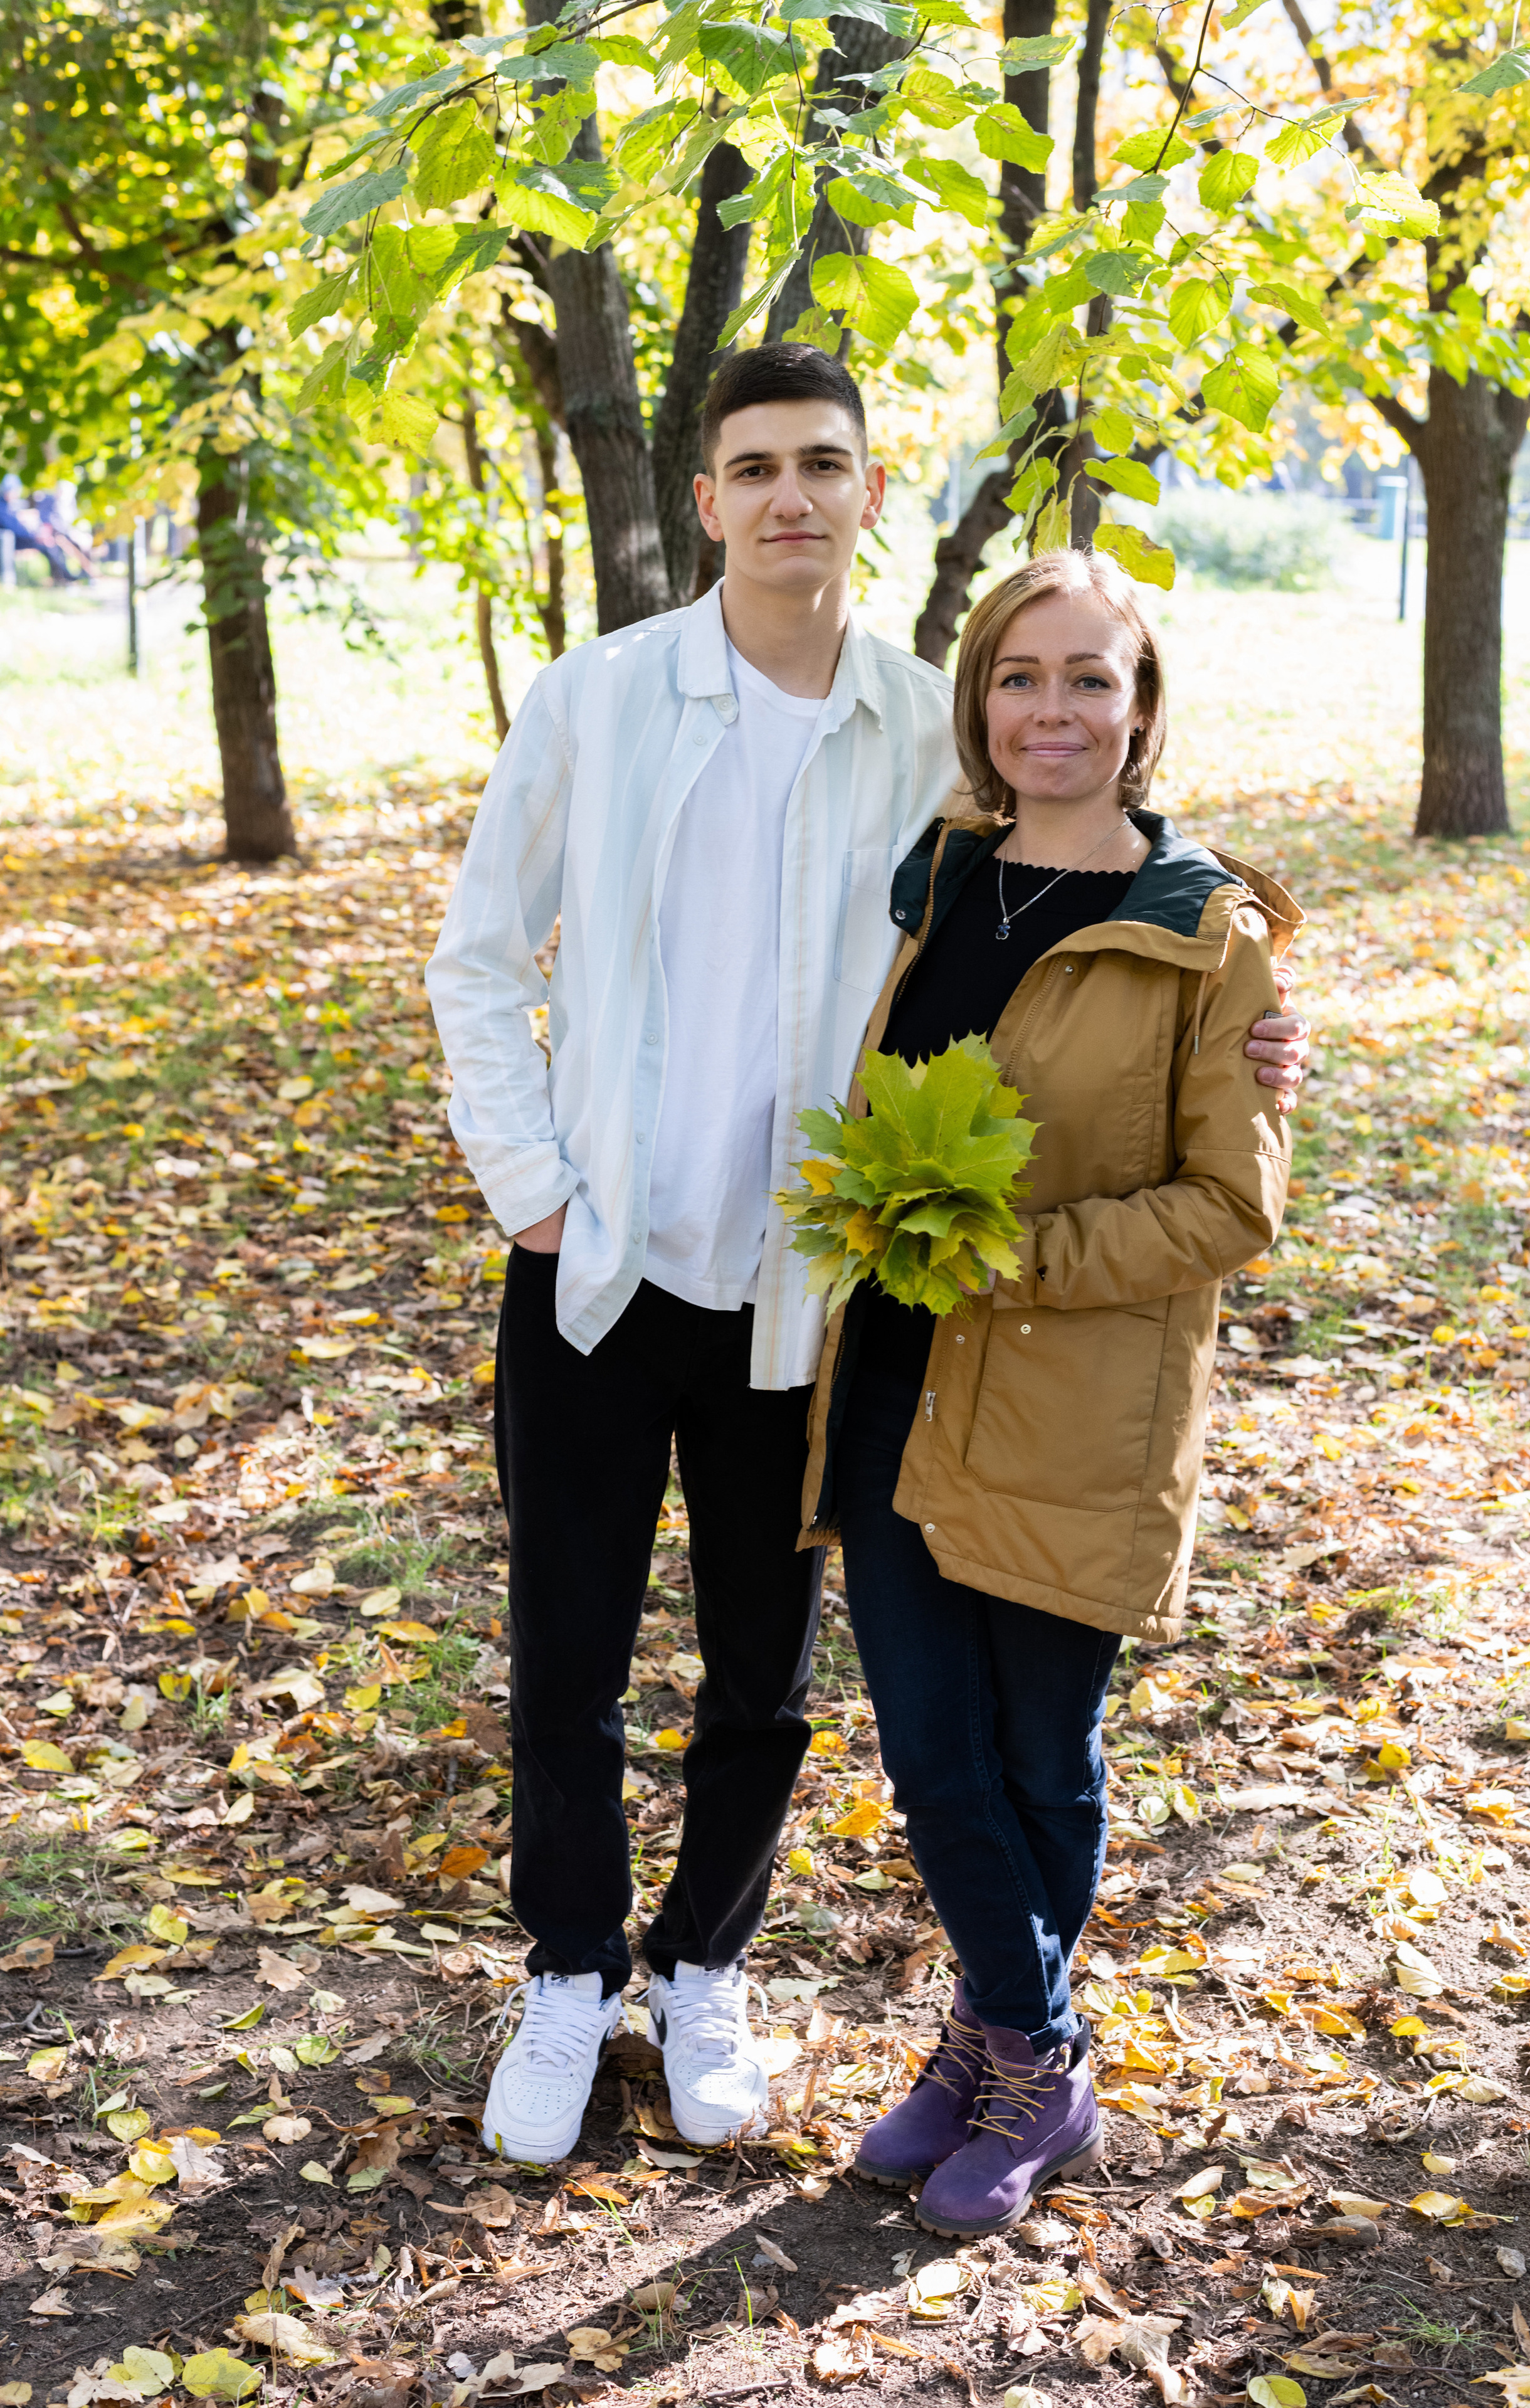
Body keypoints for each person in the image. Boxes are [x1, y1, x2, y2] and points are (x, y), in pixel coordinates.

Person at [426, 344, 1310, 2170]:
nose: (788, 499)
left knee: (766, 1661)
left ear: (871, 492)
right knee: (568, 1651)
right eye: (753, 467)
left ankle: (703, 1973)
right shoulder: (600, 699)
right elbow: (474, 957)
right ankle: (572, 1972)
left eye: (823, 464)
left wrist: (1264, 1008)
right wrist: (531, 1184)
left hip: (812, 1293)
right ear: (706, 497)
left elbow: (1093, 828)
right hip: (594, 1263)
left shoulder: (927, 717)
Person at [799, 549, 1299, 2238]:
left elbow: (1236, 1205)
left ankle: (1012, 2057)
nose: (1054, 710)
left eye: (1092, 678)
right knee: (935, 1756)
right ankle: (1016, 2050)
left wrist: (1015, 1255)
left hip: (1077, 1398)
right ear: (982, 702)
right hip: (894, 1381)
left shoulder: (1202, 932)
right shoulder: (933, 875)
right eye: (1023, 677)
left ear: (1142, 708)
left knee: (1040, 1757)